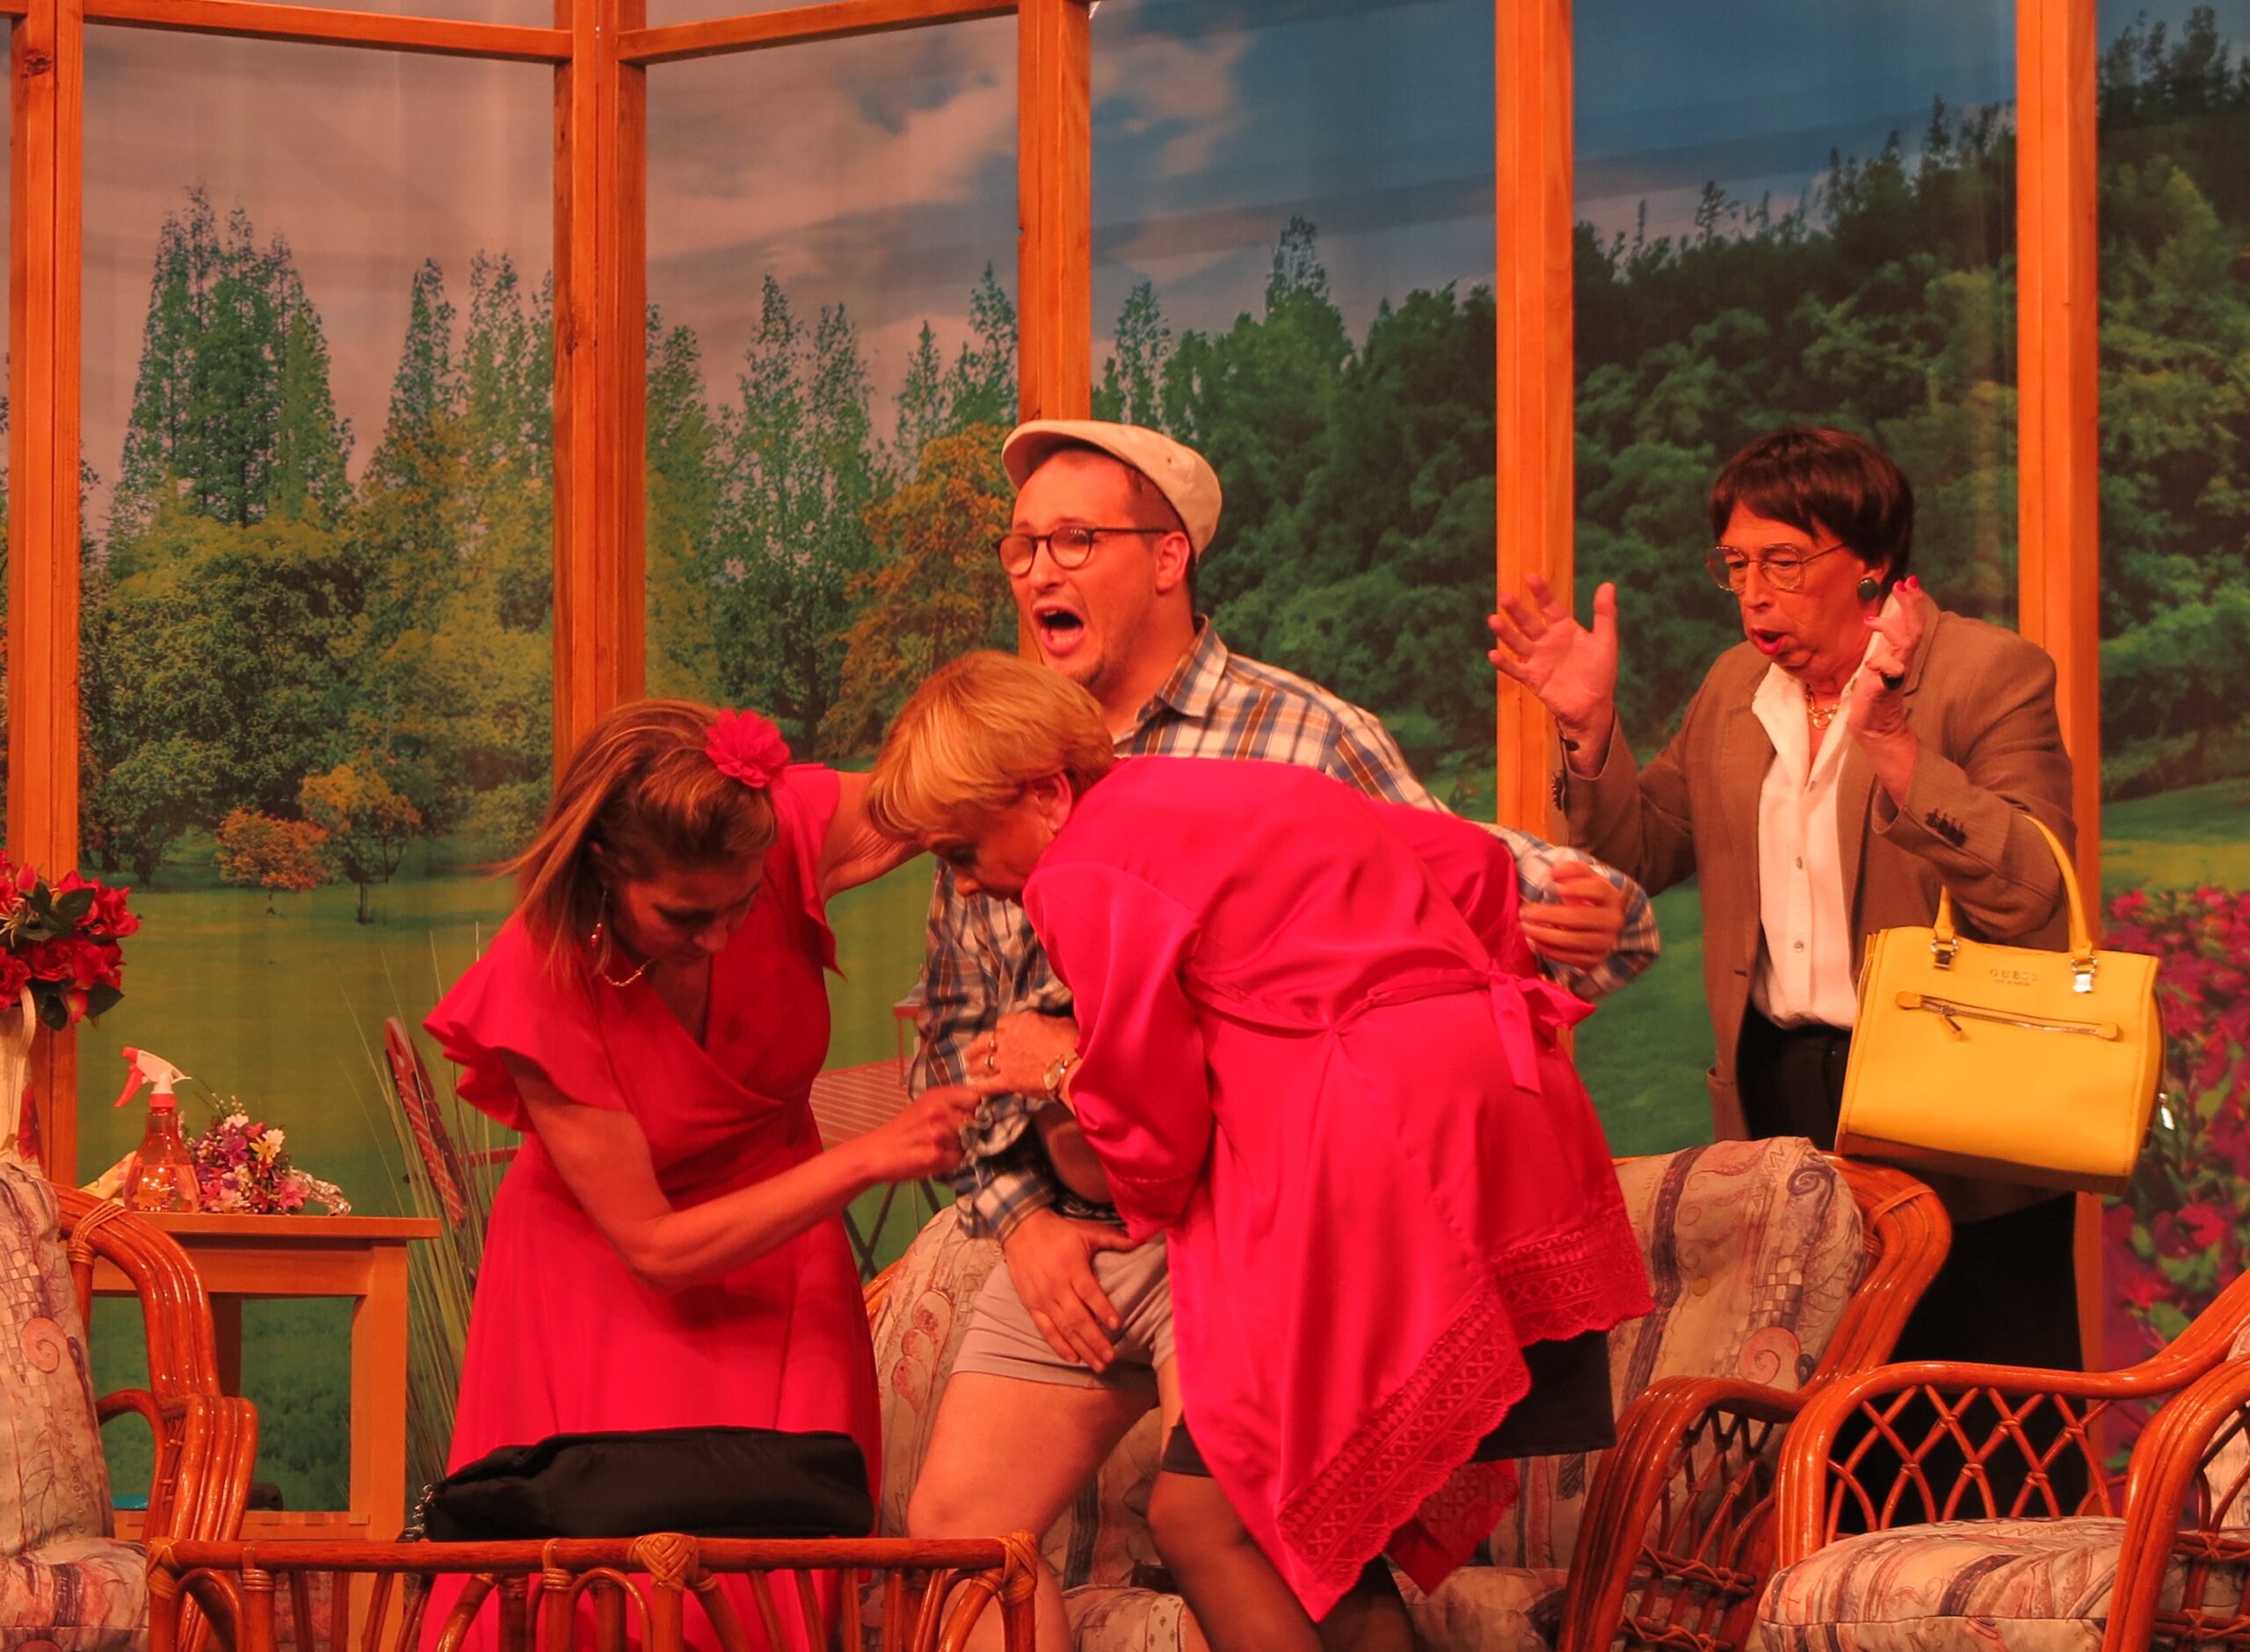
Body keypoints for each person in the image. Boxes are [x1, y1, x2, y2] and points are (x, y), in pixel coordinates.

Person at [901, 419, 1659, 1650]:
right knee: (962, 1533)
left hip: (1271, 1201)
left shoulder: (1287, 734)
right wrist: (1022, 1216)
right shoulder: (1013, 765)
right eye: (1022, 545)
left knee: (1246, 1517)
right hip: (1107, 1222)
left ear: (1167, 557)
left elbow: (1475, 876)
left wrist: (1586, 918)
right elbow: (957, 1031)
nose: (1039, 569)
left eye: (1074, 539)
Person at [1486, 424, 2081, 1374]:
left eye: (1784, 562)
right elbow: (1636, 850)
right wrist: (1588, 728)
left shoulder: (1987, 673)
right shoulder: (1736, 687)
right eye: (1736, 565)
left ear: (1872, 563)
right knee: (1814, 1398)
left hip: (1953, 1094)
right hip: (1778, 1091)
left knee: (1976, 1400)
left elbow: (2032, 892)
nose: (1754, 592)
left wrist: (1893, 746)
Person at [423, 699, 976, 1649]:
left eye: (743, 904)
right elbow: (655, 1248)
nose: (719, 935)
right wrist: (873, 1154)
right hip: (604, 1277)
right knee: (604, 1580)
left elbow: (958, 789)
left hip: (784, 1263)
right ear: (607, 865)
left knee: (780, 1562)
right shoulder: (539, 977)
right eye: (685, 914)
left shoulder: (768, 823)